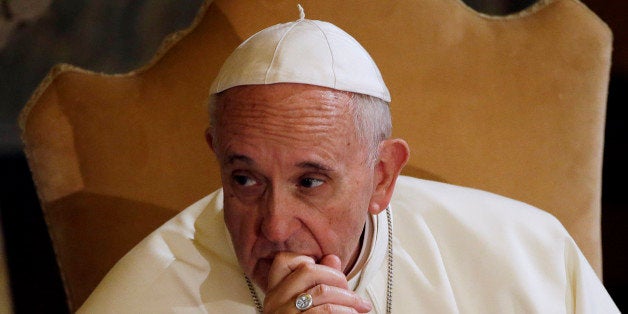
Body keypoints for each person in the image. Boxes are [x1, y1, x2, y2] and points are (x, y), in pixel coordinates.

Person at [78, 8, 619, 314]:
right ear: (215, 157)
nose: (274, 225)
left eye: (310, 181)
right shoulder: (142, 297)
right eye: (244, 180)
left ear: (382, 176)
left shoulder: (523, 255)